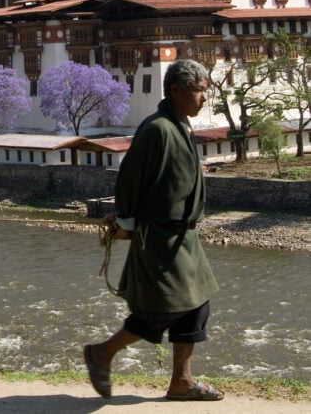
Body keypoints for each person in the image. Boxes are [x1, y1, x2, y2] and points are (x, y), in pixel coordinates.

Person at [83, 58, 224, 402]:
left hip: (183, 237)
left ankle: (182, 381)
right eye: (200, 92)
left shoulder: (180, 125)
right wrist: (125, 224)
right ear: (176, 90)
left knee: (196, 306)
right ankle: (102, 352)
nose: (204, 99)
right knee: (163, 308)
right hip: (159, 236)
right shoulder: (158, 128)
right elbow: (130, 179)